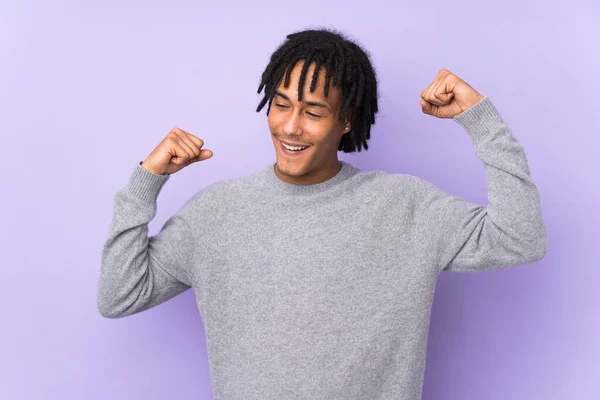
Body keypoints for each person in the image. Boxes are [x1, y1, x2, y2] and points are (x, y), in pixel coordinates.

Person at [97, 28, 547, 400]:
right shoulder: (215, 214)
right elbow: (120, 295)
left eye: (314, 112)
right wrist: (147, 180)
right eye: (281, 104)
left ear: (346, 120)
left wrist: (480, 119)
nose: (291, 127)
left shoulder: (405, 207)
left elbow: (520, 237)